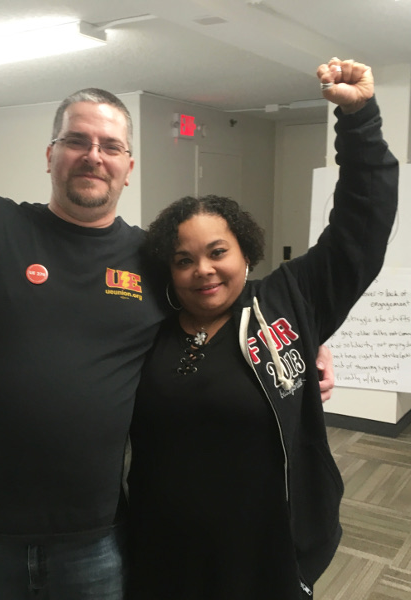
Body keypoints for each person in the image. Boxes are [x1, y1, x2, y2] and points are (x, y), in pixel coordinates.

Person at [0, 2, 334, 598]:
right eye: (77, 140)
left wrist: (302, 345)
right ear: (50, 155)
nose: (94, 154)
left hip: (94, 540)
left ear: (127, 167)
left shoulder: (154, 261)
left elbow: (218, 311)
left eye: (111, 146)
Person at [126, 58, 398, 599]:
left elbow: (359, 230)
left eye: (217, 252)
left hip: (264, 552)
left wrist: (359, 120)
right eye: (184, 259)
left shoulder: (289, 301)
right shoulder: (147, 324)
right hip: (161, 549)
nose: (202, 269)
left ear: (246, 252)